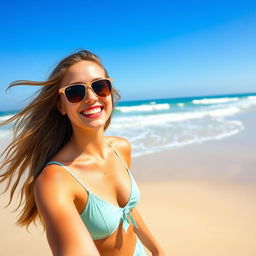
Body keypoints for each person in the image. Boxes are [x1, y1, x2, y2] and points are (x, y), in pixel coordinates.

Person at [0, 50, 165, 255]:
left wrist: (157, 249)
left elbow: (126, 210)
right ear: (61, 105)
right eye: (75, 92)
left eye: (100, 86)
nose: (91, 97)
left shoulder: (121, 148)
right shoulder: (55, 180)